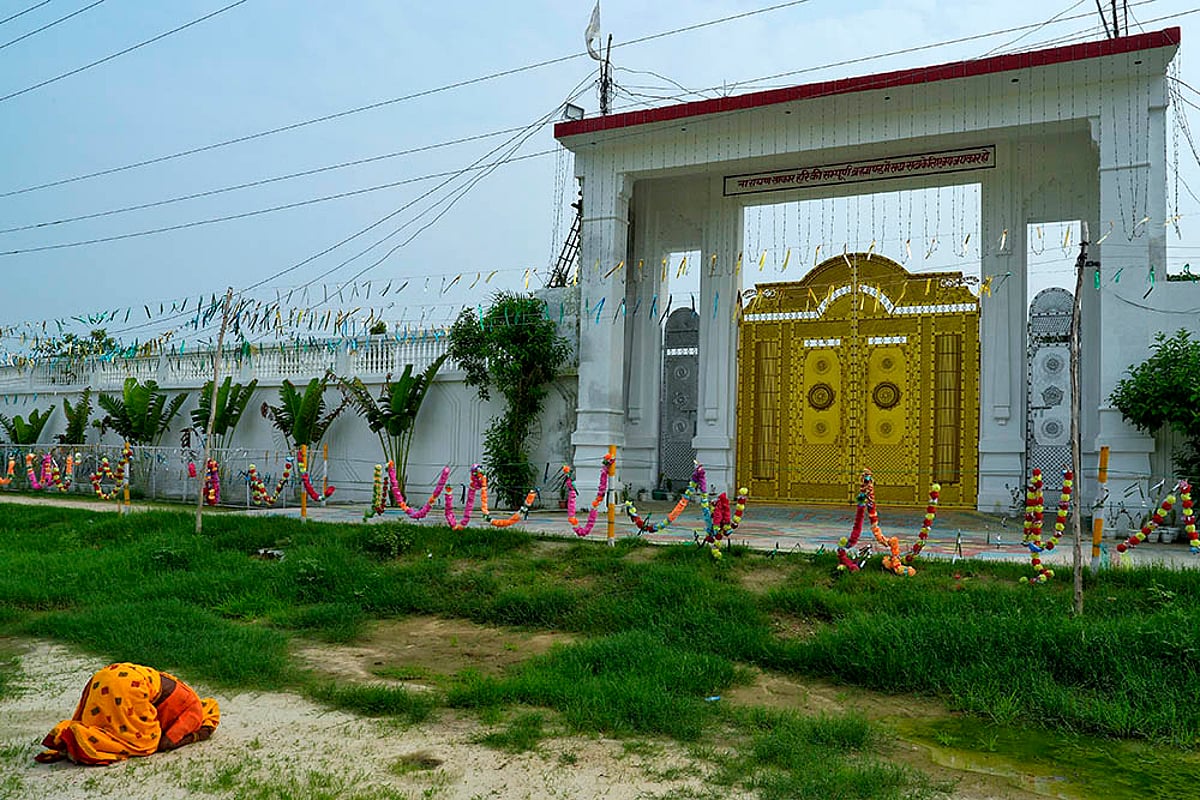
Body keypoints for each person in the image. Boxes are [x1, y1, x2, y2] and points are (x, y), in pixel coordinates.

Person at [34, 662, 220, 765]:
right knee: (144, 743)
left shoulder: (187, 695)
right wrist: (195, 737)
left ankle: (75, 736)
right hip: (129, 686)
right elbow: (165, 743)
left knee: (105, 722)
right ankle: (78, 739)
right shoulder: (194, 712)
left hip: (107, 675)